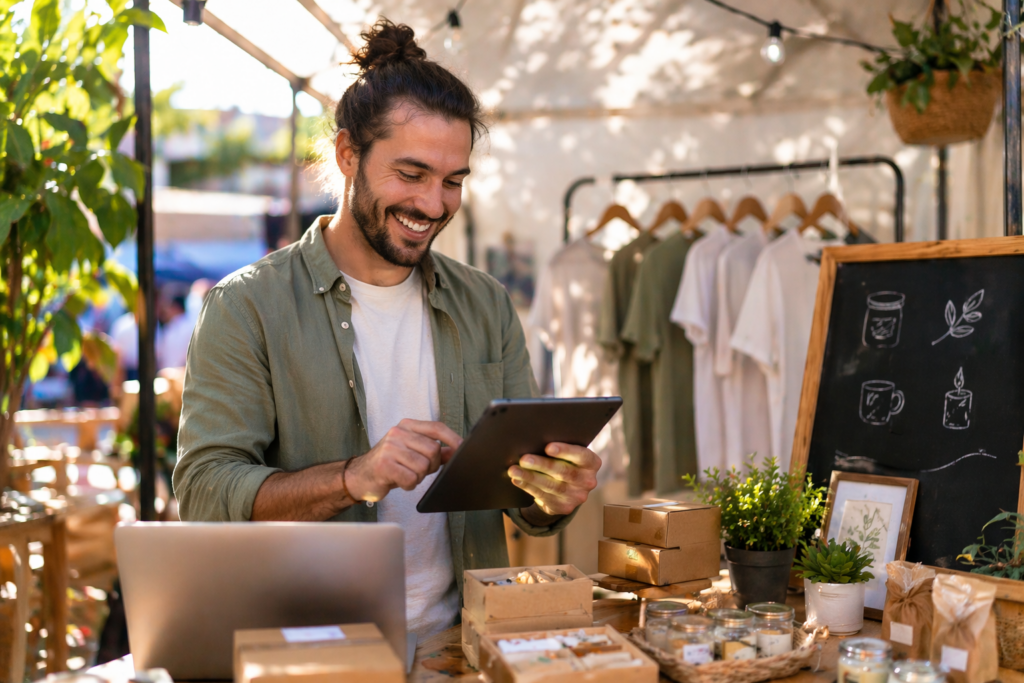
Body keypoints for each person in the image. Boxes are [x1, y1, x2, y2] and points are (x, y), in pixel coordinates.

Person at [173, 20, 601, 642]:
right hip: (315, 649)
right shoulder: (246, 307)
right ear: (348, 155)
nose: (434, 205)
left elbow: (524, 506)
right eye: (412, 174)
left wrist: (552, 494)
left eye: (453, 181)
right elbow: (206, 495)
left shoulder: (486, 304)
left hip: (465, 645)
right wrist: (354, 476)